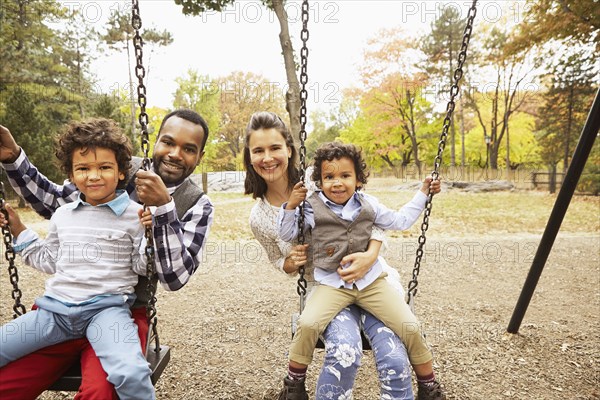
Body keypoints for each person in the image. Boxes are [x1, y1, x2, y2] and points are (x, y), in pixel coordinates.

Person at [0, 108, 214, 399]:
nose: (176, 153)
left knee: (103, 390)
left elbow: (173, 278)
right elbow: (54, 202)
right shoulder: (111, 161)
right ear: (156, 141)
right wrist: (13, 158)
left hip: (117, 311)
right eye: (168, 141)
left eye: (189, 149)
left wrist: (164, 211)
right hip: (60, 309)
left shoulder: (196, 203)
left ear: (199, 156)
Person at [244, 111, 416, 400]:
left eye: (275, 148)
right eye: (258, 150)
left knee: (394, 355)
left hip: (370, 279)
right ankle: (298, 387)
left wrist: (370, 256)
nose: (267, 157)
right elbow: (276, 257)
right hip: (325, 288)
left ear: (289, 149)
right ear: (249, 156)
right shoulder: (259, 216)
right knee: (343, 352)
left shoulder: (320, 182)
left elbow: (370, 219)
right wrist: (288, 263)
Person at [0, 118, 155, 399]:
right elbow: (49, 259)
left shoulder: (135, 215)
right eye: (83, 168)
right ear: (71, 175)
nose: (93, 176)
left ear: (121, 172)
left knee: (130, 372)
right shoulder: (64, 215)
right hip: (54, 314)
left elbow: (141, 267)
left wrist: (150, 235)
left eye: (104, 167)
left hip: (107, 313)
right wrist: (19, 230)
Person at [278, 142, 444, 400]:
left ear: (358, 179)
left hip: (371, 283)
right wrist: (291, 206)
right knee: (308, 323)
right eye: (329, 177)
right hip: (332, 284)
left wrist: (423, 192)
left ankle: (428, 385)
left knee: (409, 326)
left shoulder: (369, 204)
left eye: (345, 176)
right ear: (320, 182)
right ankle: (294, 383)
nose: (337, 183)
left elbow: (400, 221)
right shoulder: (310, 207)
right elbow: (288, 234)